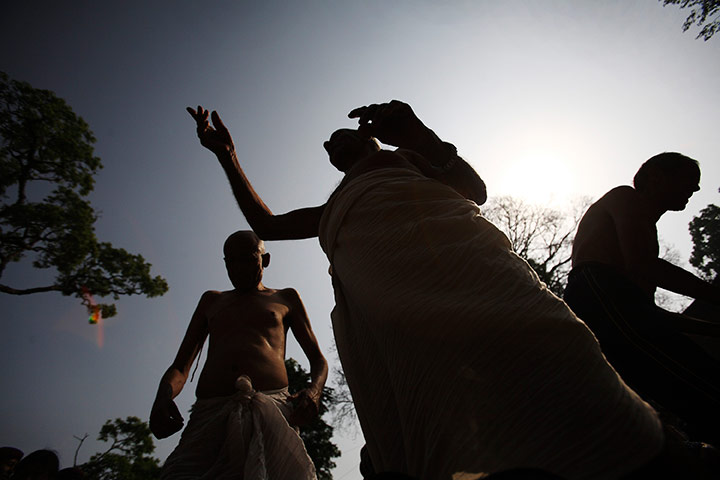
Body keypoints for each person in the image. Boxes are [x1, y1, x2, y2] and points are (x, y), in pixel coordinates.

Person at [188, 102, 692, 479]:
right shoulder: (334, 209)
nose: (332, 147)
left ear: (369, 141)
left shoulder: (410, 160)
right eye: (327, 148)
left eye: (342, 138)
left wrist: (416, 131)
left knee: (547, 346)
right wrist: (227, 154)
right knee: (428, 404)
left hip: (467, 268)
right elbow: (267, 224)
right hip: (389, 315)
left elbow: (475, 191)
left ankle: (647, 456)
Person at [563, 153, 720, 445]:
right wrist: (715, 295)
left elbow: (647, 316)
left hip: (612, 306)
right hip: (596, 292)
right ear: (657, 177)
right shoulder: (626, 198)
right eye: (690, 180)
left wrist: (711, 328)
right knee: (699, 382)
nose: (696, 190)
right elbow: (641, 270)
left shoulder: (644, 233)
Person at [150, 231, 327, 479]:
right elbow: (180, 367)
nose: (238, 267)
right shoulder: (212, 301)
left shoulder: (285, 298)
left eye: (247, 258)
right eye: (230, 261)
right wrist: (163, 396)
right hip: (210, 413)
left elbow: (318, 360)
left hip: (272, 408)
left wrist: (314, 392)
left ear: (265, 260)